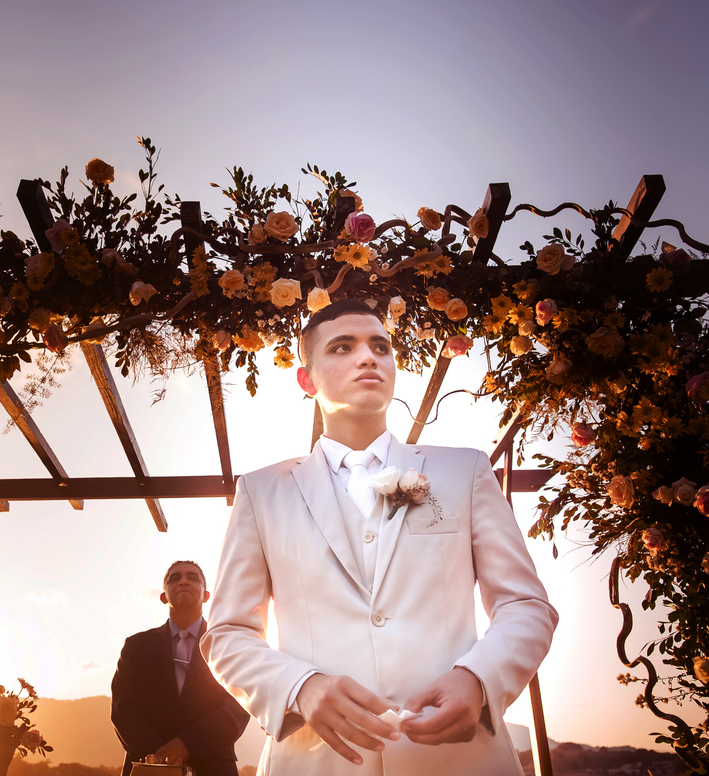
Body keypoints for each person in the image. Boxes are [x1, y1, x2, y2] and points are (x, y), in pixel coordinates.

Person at [201, 299, 558, 775]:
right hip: (316, 763)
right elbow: (228, 633)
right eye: (342, 347)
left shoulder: (465, 471)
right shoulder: (261, 491)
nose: (367, 357)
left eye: (380, 347)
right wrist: (301, 688)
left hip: (460, 762)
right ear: (307, 380)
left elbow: (526, 605)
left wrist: (476, 680)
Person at [111, 560, 251, 776]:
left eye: (192, 577)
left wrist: (189, 744)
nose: (183, 582)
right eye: (174, 578)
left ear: (206, 595)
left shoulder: (229, 645)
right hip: (148, 766)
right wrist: (160, 755)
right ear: (163, 596)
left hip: (214, 766)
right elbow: (123, 706)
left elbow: (239, 704)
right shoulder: (136, 646)